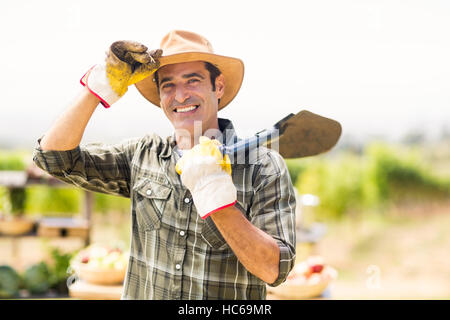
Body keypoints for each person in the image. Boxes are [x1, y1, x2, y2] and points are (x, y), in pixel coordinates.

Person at [32, 30, 296, 300]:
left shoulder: (262, 167)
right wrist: (98, 87)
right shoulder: (142, 155)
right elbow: (54, 158)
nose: (180, 96)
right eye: (168, 85)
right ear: (159, 96)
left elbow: (274, 269)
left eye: (192, 81)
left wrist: (216, 197)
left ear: (218, 86)